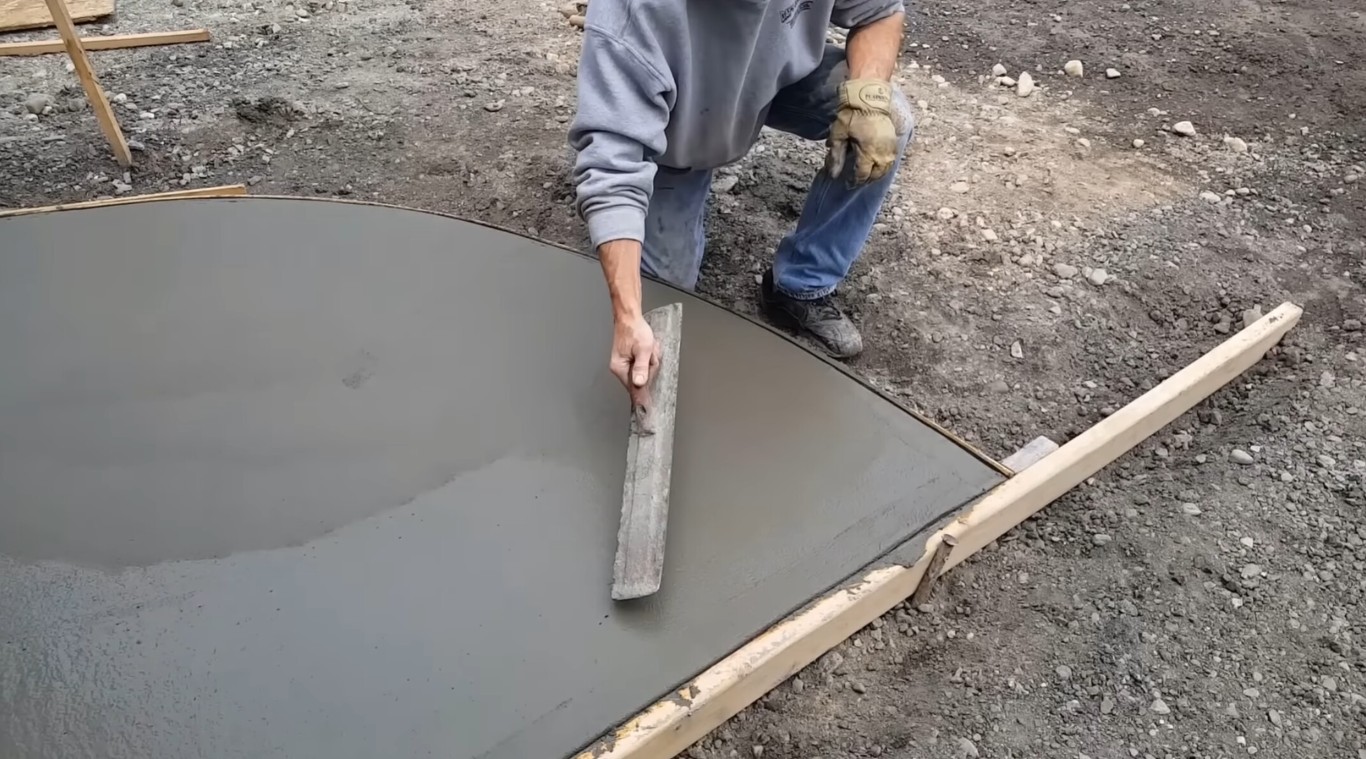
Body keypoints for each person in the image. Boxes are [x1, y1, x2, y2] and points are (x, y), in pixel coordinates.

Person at [568, 0, 914, 411]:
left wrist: (868, 97)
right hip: (675, 131)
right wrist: (627, 315)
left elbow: (880, 12)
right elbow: (613, 169)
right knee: (660, 311)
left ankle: (801, 286)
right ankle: (687, 175)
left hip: (771, 80)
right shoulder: (632, 13)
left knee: (889, 120)